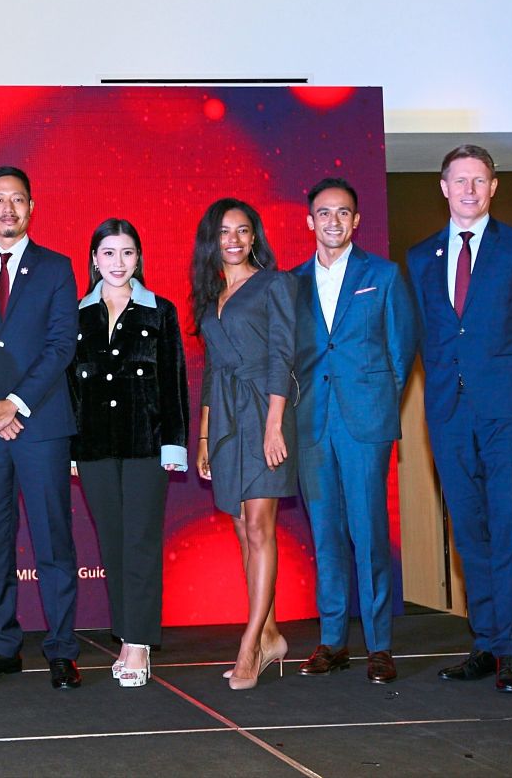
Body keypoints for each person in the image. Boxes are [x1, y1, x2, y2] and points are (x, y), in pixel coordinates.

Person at [406, 145, 512, 693]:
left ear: (493, 187)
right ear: (443, 187)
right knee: (469, 532)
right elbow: (425, 334)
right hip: (447, 413)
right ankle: (487, 642)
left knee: (510, 526)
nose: (469, 189)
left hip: (507, 411)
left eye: (479, 180)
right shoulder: (421, 257)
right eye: (459, 180)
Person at [0, 166, 83, 690]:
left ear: (31, 207)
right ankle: (2, 646)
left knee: (52, 541)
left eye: (18, 200)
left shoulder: (56, 268)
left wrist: (17, 404)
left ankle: (62, 649)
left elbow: (61, 346)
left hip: (40, 424)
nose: (8, 209)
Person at [291, 178, 418, 684]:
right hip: (311, 423)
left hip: (365, 423)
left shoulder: (382, 275)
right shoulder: (292, 283)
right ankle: (333, 641)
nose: (334, 222)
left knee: (368, 534)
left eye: (343, 213)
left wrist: (377, 401)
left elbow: (401, 352)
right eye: (324, 213)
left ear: (356, 220)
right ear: (310, 222)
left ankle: (380, 645)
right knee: (325, 536)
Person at [68, 218, 189, 688]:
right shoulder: (77, 316)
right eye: (109, 253)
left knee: (139, 542)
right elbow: (68, 389)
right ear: (94, 259)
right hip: (95, 448)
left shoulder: (160, 311)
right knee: (114, 544)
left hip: (146, 447)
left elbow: (175, 382)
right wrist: (71, 450)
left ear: (139, 258)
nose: (118, 263)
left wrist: (173, 443)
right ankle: (125, 635)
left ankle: (138, 643)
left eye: (128, 253)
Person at [190, 198, 296, 691]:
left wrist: (275, 424)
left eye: (243, 230)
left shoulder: (276, 283)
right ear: (212, 240)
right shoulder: (210, 295)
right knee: (241, 528)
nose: (233, 239)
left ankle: (250, 645)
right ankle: (271, 634)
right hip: (228, 419)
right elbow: (212, 369)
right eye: (224, 231)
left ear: (255, 238)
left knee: (259, 526)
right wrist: (206, 436)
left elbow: (282, 356)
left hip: (264, 410)